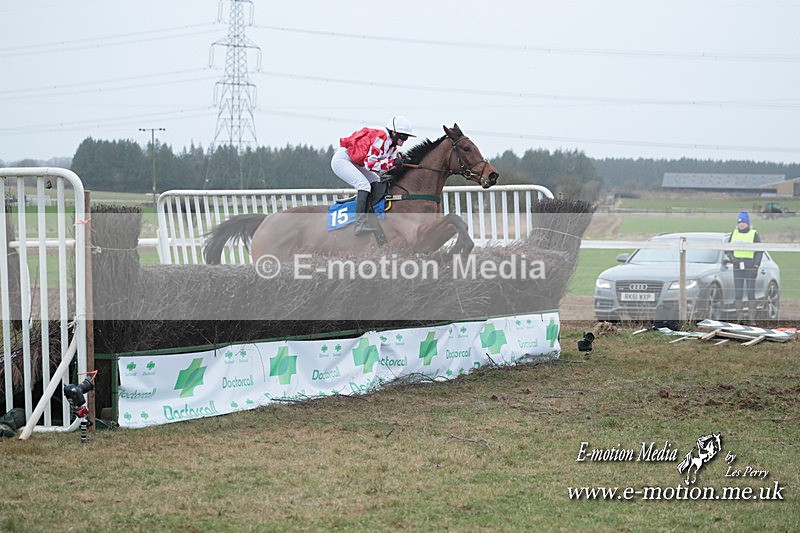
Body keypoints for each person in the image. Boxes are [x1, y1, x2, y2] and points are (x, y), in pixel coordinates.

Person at [331, 116, 415, 234]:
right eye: (403, 136)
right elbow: (371, 164)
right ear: (394, 132)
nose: (404, 140)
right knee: (363, 185)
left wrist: (401, 164)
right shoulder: (382, 136)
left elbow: (387, 166)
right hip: (343, 160)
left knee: (376, 181)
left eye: (407, 137)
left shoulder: (392, 146)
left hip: (357, 163)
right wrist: (393, 162)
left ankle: (368, 214)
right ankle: (359, 224)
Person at [725, 211, 763, 323]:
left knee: (751, 293)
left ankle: (752, 318)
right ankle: (739, 318)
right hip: (737, 265)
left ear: (748, 223)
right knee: (738, 293)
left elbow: (759, 251)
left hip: (750, 265)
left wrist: (756, 265)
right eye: (739, 222)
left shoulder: (754, 234)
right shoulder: (734, 233)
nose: (741, 224)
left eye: (743, 222)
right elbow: (727, 249)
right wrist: (732, 259)